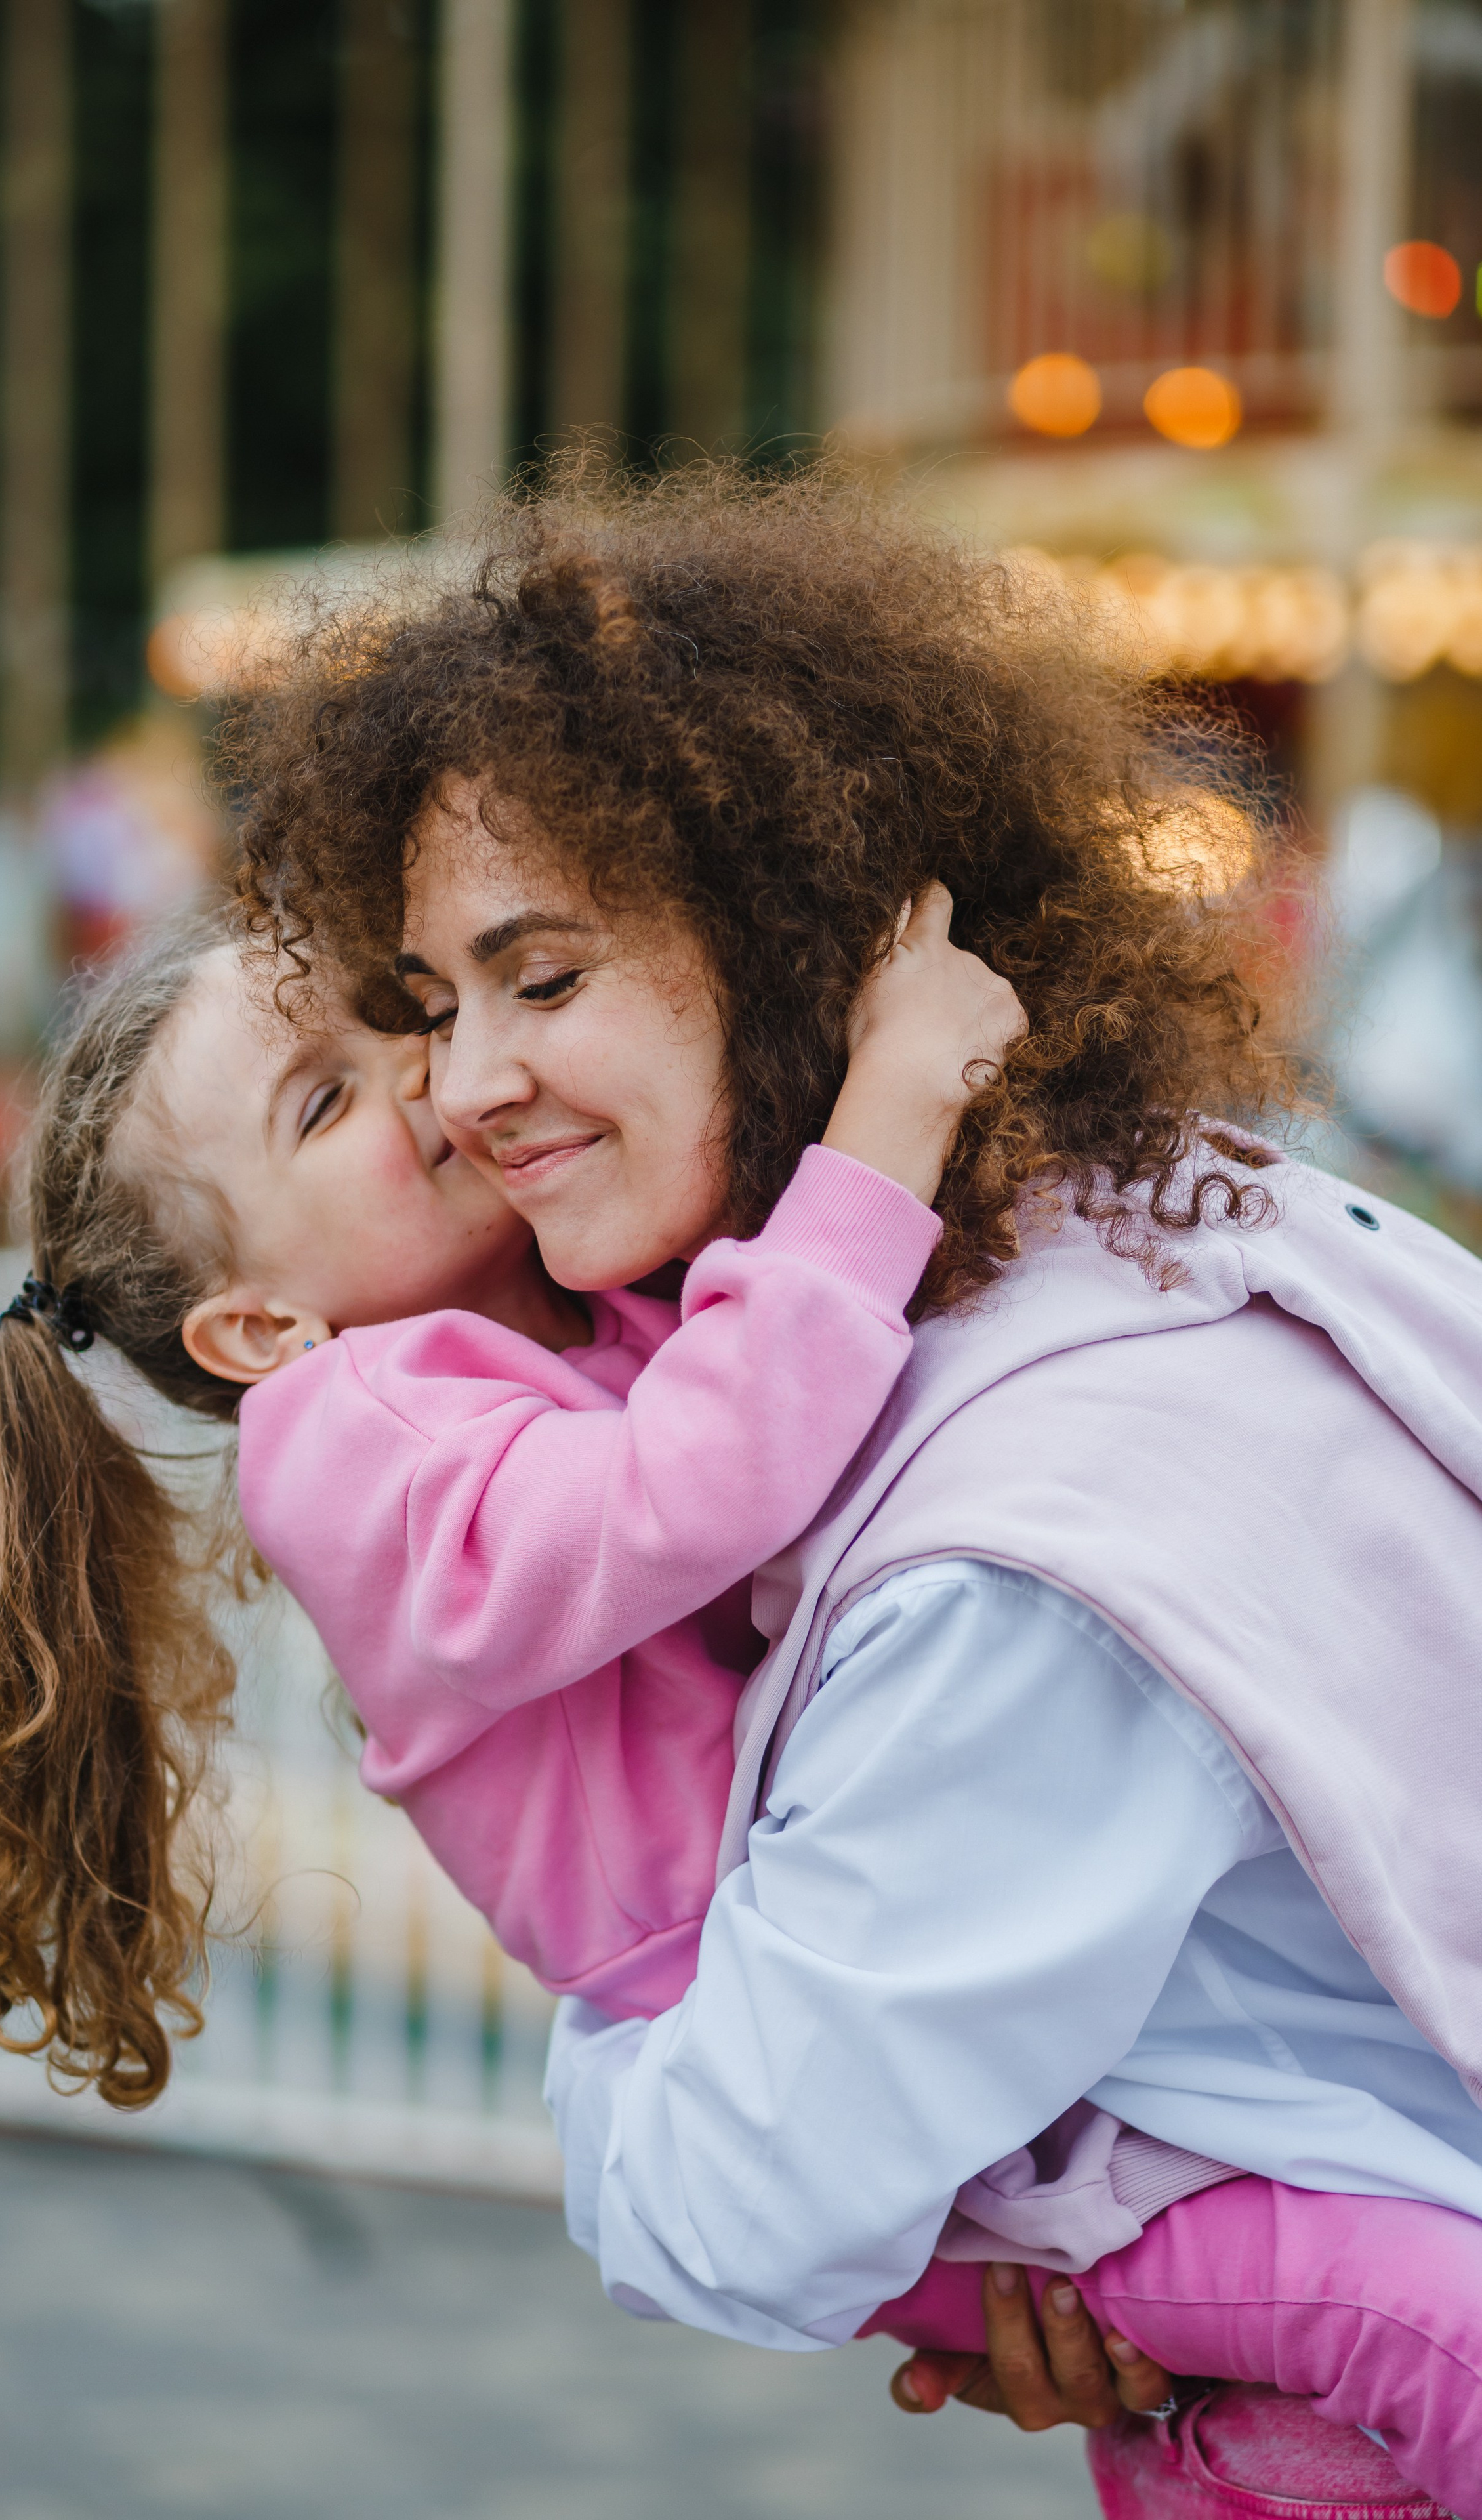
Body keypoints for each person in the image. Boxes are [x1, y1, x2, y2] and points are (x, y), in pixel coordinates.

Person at [231, 463, 1482, 2513]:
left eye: (543, 982)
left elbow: (727, 2213)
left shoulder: (1018, 1568)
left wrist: (623, 1994)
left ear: (796, 939)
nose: (463, 1088)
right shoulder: (1165, 1234)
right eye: (434, 1009)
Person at [0, 890, 1016, 2090]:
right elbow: (695, 1482)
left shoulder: (585, 1291)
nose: (425, 1068)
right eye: (323, 1101)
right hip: (735, 1991)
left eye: (402, 1017)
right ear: (261, 1327)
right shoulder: (343, 1435)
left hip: (843, 1894)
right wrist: (893, 1107)